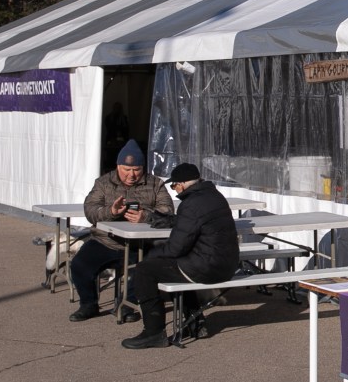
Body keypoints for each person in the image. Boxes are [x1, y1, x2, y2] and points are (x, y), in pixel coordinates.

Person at [122, 163, 240, 349]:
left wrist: (152, 256)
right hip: (228, 265)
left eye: (174, 185)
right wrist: (164, 220)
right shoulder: (215, 196)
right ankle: (195, 324)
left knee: (145, 270)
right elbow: (194, 222)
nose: (173, 189)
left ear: (183, 184)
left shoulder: (190, 204)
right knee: (176, 268)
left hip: (207, 268)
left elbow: (175, 248)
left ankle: (153, 333)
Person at [69, 140, 174, 322]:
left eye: (136, 170)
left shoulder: (155, 184)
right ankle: (88, 304)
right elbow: (90, 209)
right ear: (118, 166)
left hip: (140, 244)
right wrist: (110, 212)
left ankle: (128, 304)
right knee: (79, 264)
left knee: (144, 268)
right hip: (106, 241)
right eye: (126, 169)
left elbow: (167, 211)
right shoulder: (103, 183)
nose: (131, 175)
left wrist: (146, 216)